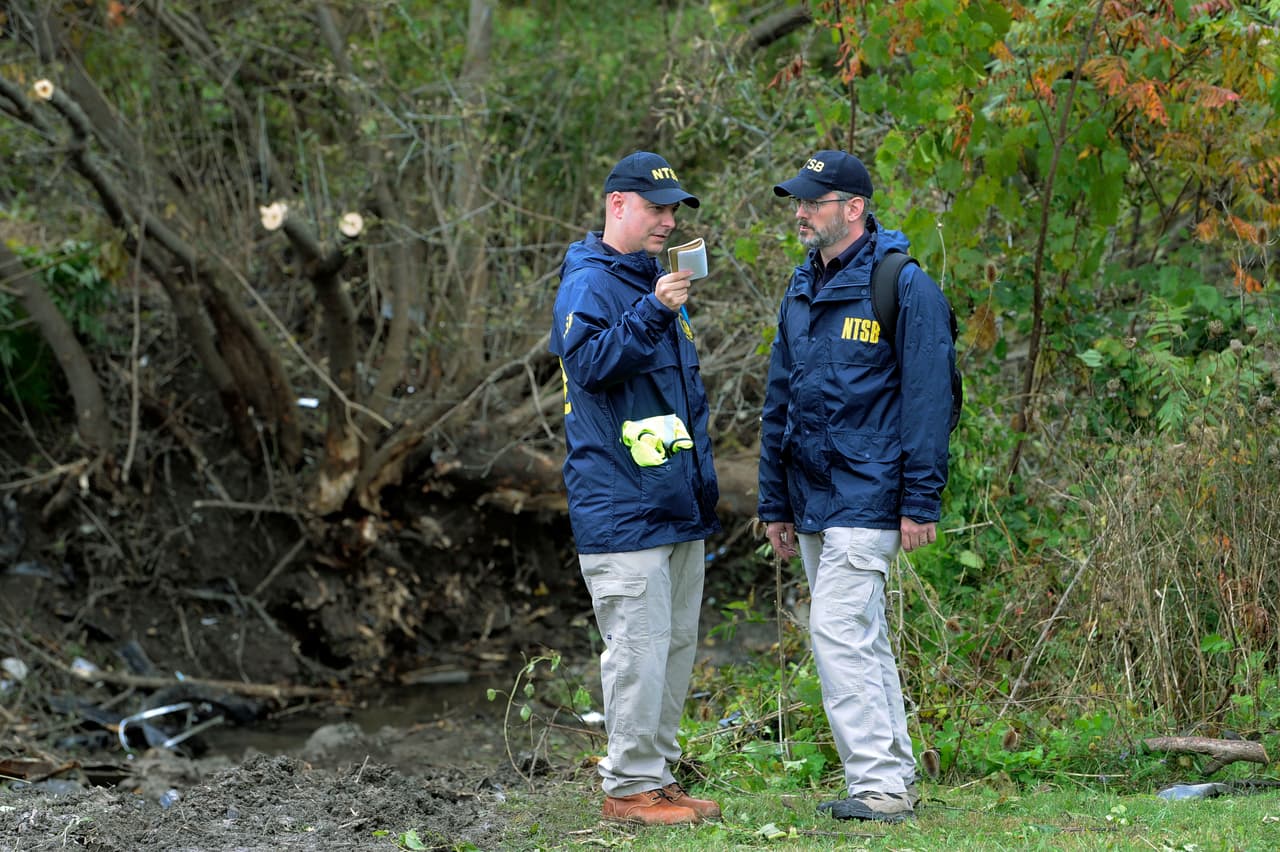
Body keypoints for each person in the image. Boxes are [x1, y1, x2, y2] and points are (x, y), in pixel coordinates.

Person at [756, 150, 956, 823]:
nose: (801, 213)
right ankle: (892, 777)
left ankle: (877, 786)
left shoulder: (903, 286)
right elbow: (778, 399)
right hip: (812, 497)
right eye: (799, 201)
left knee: (837, 629)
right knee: (860, 635)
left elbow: (931, 400)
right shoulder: (803, 285)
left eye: (813, 202)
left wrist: (920, 499)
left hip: (870, 494)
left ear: (854, 209)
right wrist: (774, 503)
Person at [550, 151, 723, 826]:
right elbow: (588, 364)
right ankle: (627, 790)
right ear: (617, 204)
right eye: (656, 208)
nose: (668, 220)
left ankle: (656, 776)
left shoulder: (653, 280)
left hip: (672, 501)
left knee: (672, 648)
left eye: (674, 209)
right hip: (621, 506)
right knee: (638, 650)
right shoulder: (591, 282)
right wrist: (653, 310)